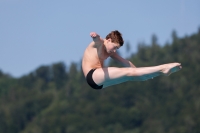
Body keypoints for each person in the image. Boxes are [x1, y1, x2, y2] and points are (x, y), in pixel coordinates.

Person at [82, 30, 182, 89]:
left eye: (117, 48)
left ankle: (161, 72)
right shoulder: (99, 44)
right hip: (92, 75)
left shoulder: (110, 51)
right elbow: (97, 40)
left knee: (133, 76)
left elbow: (125, 62)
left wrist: (140, 73)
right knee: (128, 72)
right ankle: (162, 68)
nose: (115, 51)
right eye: (115, 47)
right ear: (108, 40)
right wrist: (95, 36)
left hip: (99, 85)